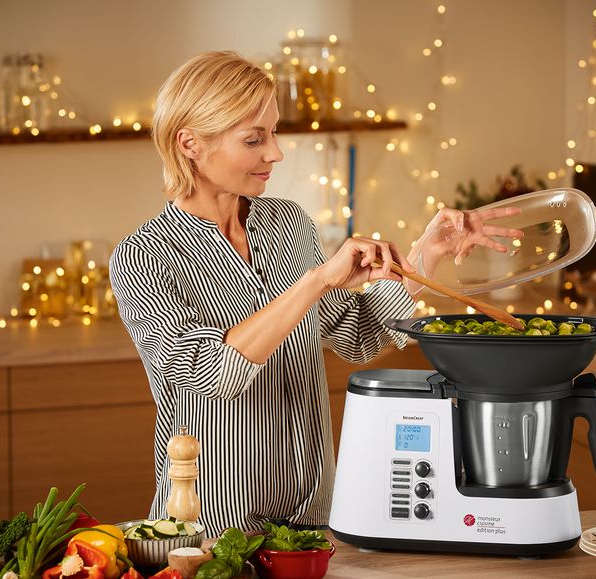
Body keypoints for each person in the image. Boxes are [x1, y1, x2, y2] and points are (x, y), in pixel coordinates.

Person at [109, 51, 523, 536]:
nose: (275, 153)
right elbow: (208, 375)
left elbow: (356, 337)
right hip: (207, 526)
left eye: (274, 132)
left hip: (312, 515)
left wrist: (425, 254)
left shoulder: (288, 224)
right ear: (190, 144)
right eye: (253, 139)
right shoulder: (143, 255)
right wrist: (313, 282)